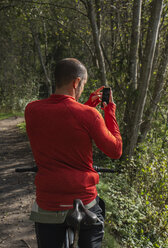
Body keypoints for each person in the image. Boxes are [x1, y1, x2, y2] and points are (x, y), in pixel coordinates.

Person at [24, 58, 122, 248]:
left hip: (48, 201)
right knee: (96, 213)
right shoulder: (89, 115)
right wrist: (109, 111)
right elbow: (116, 150)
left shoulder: (32, 110)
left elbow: (63, 123)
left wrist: (86, 105)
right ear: (76, 82)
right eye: (83, 84)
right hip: (83, 200)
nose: (82, 88)